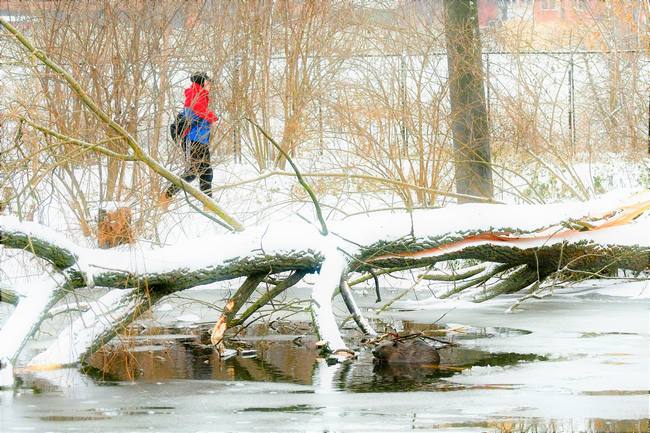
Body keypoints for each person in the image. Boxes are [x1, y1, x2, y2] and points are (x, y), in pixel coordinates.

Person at [161, 72, 218, 207]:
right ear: (202, 82)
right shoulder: (194, 93)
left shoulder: (202, 96)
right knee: (192, 173)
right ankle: (167, 195)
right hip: (192, 139)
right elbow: (196, 111)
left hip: (201, 140)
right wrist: (213, 118)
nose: (210, 85)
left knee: (206, 172)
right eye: (208, 82)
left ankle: (208, 203)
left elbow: (200, 111)